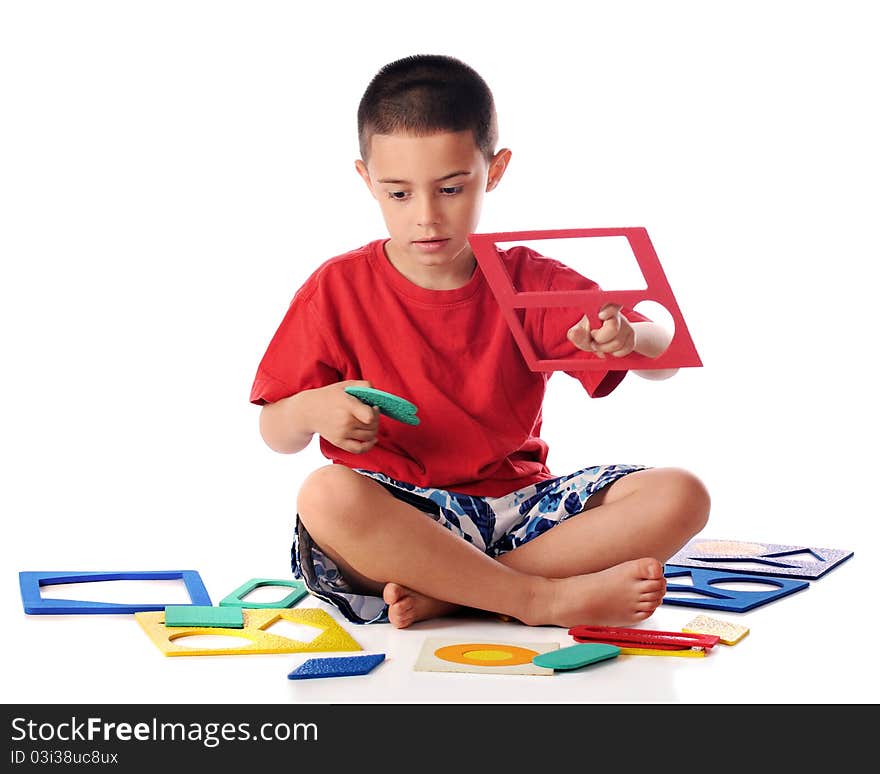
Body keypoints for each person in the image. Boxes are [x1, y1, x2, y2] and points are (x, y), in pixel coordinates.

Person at [250, 54, 710, 629]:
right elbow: (275, 431)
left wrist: (630, 337)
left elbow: (663, 356)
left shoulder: (527, 280)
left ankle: (459, 595)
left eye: (450, 188)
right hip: (402, 513)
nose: (426, 217)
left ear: (493, 170)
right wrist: (312, 408)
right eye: (399, 194)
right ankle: (536, 599)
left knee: (682, 494)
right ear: (366, 180)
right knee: (325, 496)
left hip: (519, 511)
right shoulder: (335, 289)